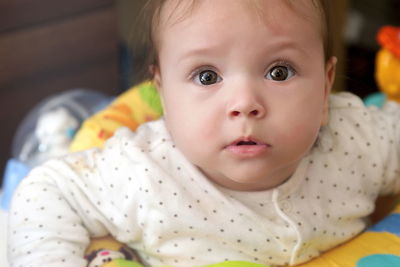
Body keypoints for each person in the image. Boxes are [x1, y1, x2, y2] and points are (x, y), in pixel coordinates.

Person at [8, 0, 400, 266]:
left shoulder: (355, 140)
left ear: (325, 85)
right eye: (207, 76)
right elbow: (48, 189)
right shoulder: (145, 172)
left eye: (279, 71)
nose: (245, 103)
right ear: (163, 94)